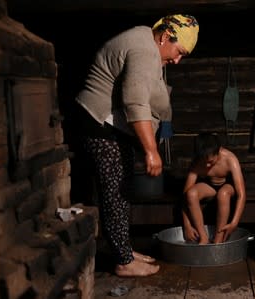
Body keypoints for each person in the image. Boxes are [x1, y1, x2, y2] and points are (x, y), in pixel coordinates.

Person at [74, 14, 199, 277]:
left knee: (123, 189)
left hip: (110, 126)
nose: (177, 60)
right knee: (115, 192)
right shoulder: (144, 50)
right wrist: (152, 151)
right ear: (165, 37)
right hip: (98, 123)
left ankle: (124, 250)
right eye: (179, 52)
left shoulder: (150, 45)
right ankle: (123, 261)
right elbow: (136, 102)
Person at [182, 133, 246, 245]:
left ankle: (218, 239)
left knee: (223, 194)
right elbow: (184, 197)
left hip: (228, 187)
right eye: (204, 161)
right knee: (191, 194)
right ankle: (203, 238)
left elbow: (241, 194)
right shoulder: (197, 163)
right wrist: (187, 225)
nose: (207, 166)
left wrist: (234, 222)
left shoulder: (230, 159)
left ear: (219, 151)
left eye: (210, 162)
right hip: (210, 187)